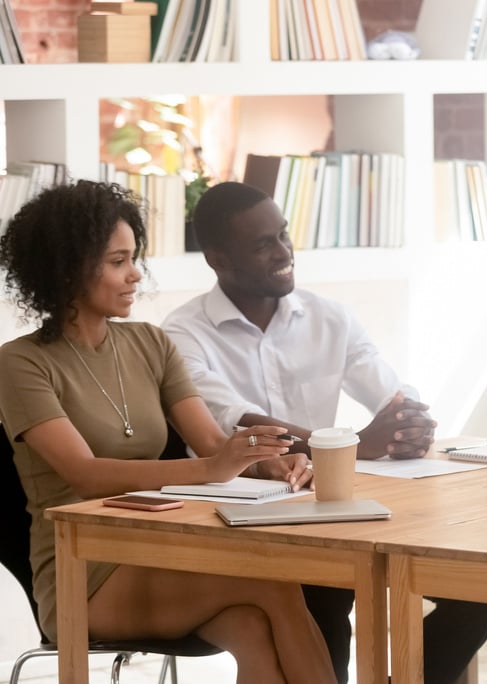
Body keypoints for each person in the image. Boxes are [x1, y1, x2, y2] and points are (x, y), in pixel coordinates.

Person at [161, 181, 487, 684]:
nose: (284, 253)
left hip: (334, 507)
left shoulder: (329, 317)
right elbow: (244, 425)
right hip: (244, 519)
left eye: (283, 236)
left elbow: (390, 394)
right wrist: (357, 443)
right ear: (218, 259)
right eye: (263, 244)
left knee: (482, 579)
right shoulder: (182, 334)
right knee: (324, 590)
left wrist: (410, 422)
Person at [0, 180, 336, 684]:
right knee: (275, 585)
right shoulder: (20, 363)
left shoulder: (150, 344)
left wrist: (270, 460)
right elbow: (85, 475)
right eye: (118, 262)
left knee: (252, 625)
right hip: (84, 572)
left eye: (134, 257)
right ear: (67, 267)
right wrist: (213, 467)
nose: (136, 274)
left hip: (158, 547)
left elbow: (211, 444)